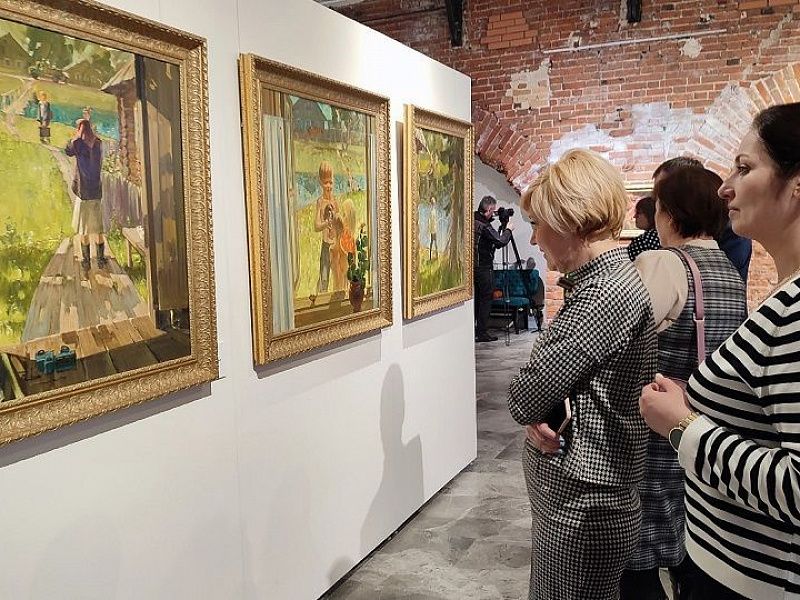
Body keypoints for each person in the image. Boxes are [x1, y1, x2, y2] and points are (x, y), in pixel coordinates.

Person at [640, 102, 800, 600]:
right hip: (730, 562)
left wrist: (683, 426)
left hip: (753, 580)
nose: (725, 187)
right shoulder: (773, 289)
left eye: (745, 169)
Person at [508, 149, 657, 600]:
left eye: (538, 223)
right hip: (584, 496)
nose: (534, 238)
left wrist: (536, 404)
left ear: (569, 220)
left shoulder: (603, 294)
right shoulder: (605, 283)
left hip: (584, 505)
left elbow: (523, 397)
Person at [621, 166, 748, 600]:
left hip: (656, 428)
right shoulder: (729, 269)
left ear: (670, 214)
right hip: (707, 422)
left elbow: (619, 339)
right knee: (690, 542)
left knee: (638, 562)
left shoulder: (663, 263)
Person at [654, 157, 752, 282]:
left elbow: (721, 283)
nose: (660, 197)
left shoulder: (731, 232)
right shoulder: (669, 229)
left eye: (665, 189)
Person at [66, 118, 105, 270]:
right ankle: (100, 260)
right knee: (98, 228)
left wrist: (75, 136)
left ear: (79, 129)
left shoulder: (77, 144)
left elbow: (67, 150)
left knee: (84, 229)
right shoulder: (98, 143)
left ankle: (87, 261)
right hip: (95, 191)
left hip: (83, 192)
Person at [473, 195, 513, 342]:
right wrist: (508, 229)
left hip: (473, 268)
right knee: (486, 300)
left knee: (477, 299)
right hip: (484, 268)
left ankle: (475, 330)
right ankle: (482, 332)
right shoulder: (484, 225)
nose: (494, 213)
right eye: (493, 211)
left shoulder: (473, 218)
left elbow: (493, 242)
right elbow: (500, 241)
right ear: (489, 209)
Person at [314, 161, 341, 294]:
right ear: (320, 182)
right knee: (324, 277)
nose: (329, 186)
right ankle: (321, 296)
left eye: (331, 182)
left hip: (335, 245)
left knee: (338, 276)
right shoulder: (320, 202)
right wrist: (326, 223)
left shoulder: (335, 201)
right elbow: (316, 226)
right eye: (326, 183)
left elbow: (340, 223)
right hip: (326, 245)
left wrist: (336, 218)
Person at [627, 195, 660, 259]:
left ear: (649, 214)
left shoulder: (643, 241)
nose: (634, 216)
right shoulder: (663, 237)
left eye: (638, 213)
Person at [427, 196, 439, 261]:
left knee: (434, 242)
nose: (433, 203)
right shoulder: (431, 211)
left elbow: (435, 220)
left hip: (434, 229)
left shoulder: (434, 210)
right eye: (432, 202)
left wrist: (435, 227)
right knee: (433, 242)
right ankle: (431, 257)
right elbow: (430, 220)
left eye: (433, 202)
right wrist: (429, 229)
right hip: (433, 229)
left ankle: (435, 257)